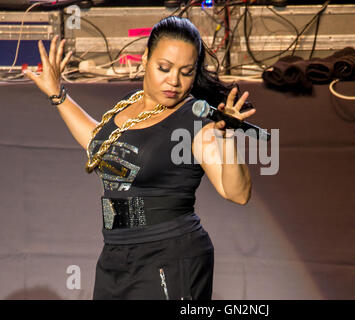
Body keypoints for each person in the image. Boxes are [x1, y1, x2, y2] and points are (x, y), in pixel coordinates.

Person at [24, 16, 256, 300]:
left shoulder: (196, 119)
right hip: (116, 256)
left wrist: (229, 137)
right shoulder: (131, 104)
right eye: (164, 68)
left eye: (186, 72)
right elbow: (100, 145)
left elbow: (237, 193)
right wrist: (57, 95)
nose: (174, 81)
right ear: (146, 58)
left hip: (171, 256)